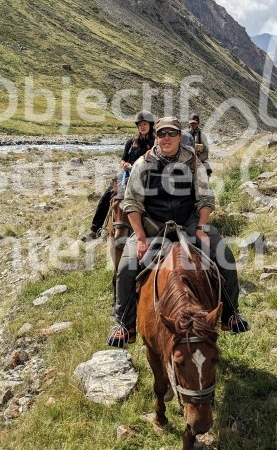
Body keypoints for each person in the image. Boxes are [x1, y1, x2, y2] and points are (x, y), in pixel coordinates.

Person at [106, 116, 249, 347]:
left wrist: (202, 228)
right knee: (126, 266)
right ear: (156, 137)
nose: (166, 138)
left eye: (171, 133)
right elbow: (131, 203)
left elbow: (205, 198)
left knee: (225, 255)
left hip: (188, 222)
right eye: (161, 134)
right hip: (153, 226)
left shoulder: (192, 162)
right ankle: (125, 324)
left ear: (180, 136)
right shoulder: (143, 163)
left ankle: (230, 314)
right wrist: (141, 238)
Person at [81, 112, 156, 241]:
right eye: (140, 125)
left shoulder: (155, 142)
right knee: (106, 197)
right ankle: (95, 230)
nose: (142, 127)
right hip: (127, 174)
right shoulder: (131, 142)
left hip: (146, 175)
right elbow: (122, 160)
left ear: (150, 125)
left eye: (145, 124)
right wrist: (125, 164)